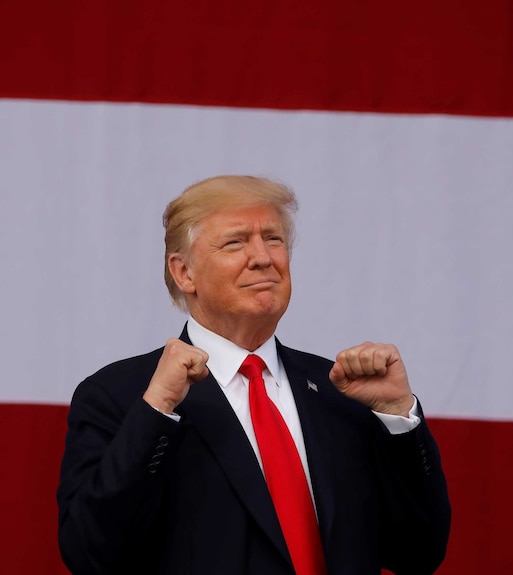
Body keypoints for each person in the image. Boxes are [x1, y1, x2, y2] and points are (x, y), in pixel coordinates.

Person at [57, 175, 451, 575]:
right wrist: (156, 409)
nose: (263, 257)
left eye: (274, 240)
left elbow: (417, 551)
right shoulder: (123, 395)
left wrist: (397, 416)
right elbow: (92, 554)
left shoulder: (341, 390)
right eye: (236, 242)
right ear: (184, 273)